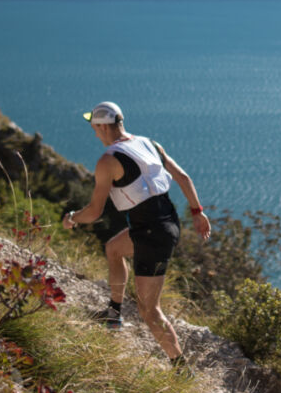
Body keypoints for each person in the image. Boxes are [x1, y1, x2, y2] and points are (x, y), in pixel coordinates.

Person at [62, 101, 210, 367]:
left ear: (102, 126)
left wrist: (72, 219)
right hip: (165, 221)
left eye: (94, 127)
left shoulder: (108, 161)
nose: (94, 133)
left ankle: (181, 369)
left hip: (152, 234)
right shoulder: (150, 144)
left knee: (149, 311)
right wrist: (197, 212)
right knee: (114, 249)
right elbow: (183, 177)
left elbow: (95, 212)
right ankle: (113, 314)